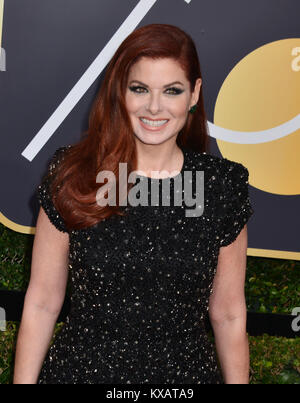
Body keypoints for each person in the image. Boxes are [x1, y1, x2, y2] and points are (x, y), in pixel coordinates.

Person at [13, 23, 254, 384]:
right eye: (139, 89)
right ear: (119, 93)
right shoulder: (75, 174)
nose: (154, 107)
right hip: (80, 374)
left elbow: (229, 314)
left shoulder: (219, 187)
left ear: (193, 94)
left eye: (172, 91)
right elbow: (43, 302)